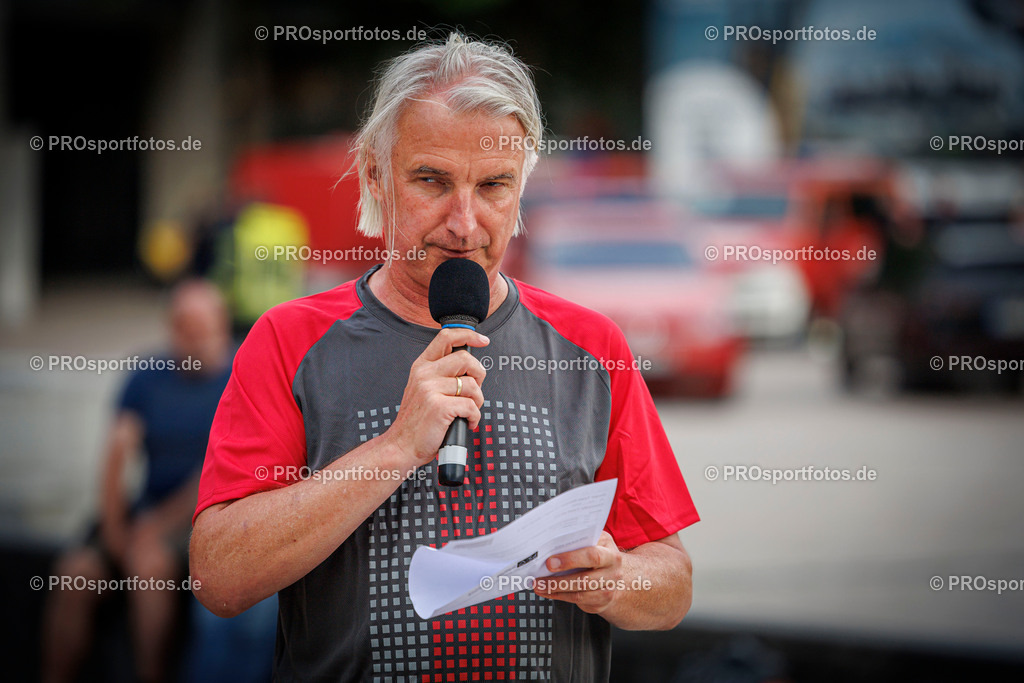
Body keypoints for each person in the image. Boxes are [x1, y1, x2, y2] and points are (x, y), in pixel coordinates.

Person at [190, 33, 699, 681]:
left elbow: (673, 584)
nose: (464, 222)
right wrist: (395, 448)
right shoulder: (289, 341)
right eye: (431, 180)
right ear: (376, 175)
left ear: (524, 184)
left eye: (493, 186)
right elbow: (217, 577)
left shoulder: (592, 347)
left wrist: (616, 580)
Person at [42, 280, 233, 683]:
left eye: (199, 328)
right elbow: (116, 453)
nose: (190, 339)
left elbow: (216, 468)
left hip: (201, 514)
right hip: (145, 507)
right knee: (75, 571)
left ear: (221, 326)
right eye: (181, 328)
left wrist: (157, 527)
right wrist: (114, 530)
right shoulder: (148, 375)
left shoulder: (238, 378)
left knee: (149, 565)